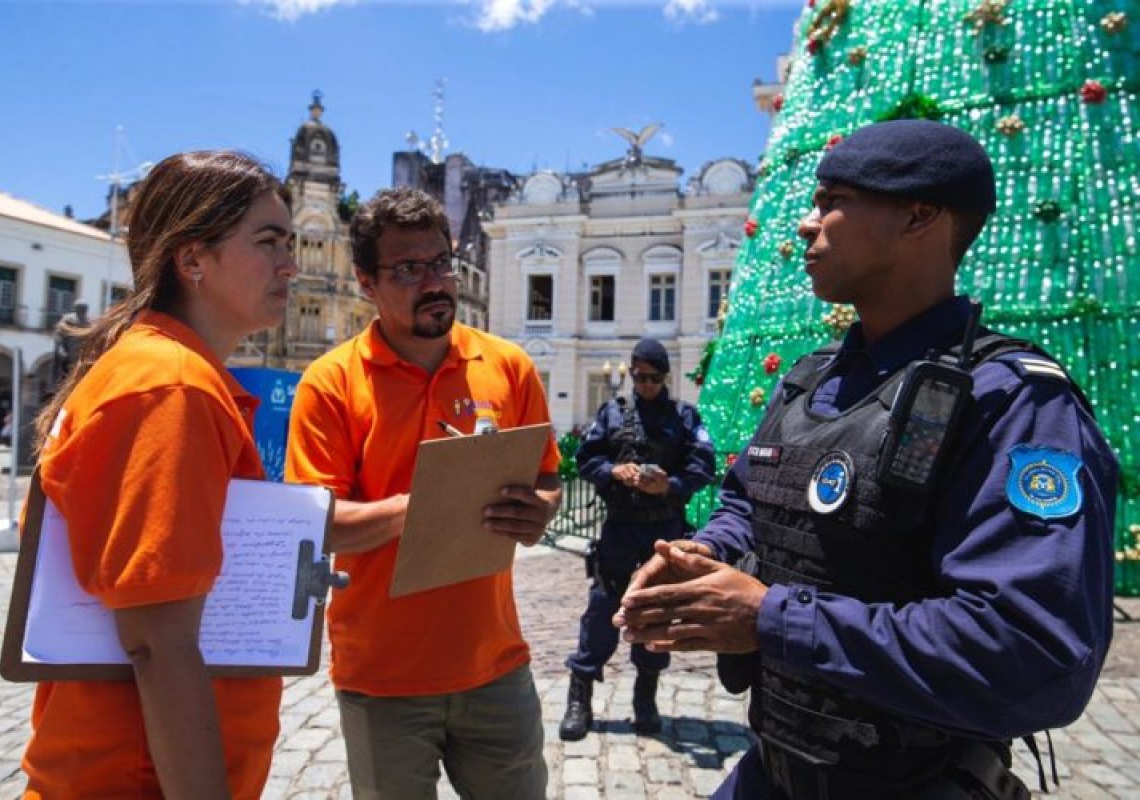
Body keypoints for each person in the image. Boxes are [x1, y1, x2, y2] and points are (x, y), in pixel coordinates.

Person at [615, 120, 1119, 799]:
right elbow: (745, 502)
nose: (805, 223)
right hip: (774, 768)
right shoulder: (810, 379)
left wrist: (769, 618)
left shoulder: (1013, 403)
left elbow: (1034, 653)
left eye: (833, 200)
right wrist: (705, 555)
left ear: (920, 216)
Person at [21, 151, 297, 799]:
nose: (291, 263)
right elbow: (158, 641)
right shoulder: (172, 386)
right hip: (130, 777)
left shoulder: (162, 370)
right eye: (268, 242)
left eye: (289, 242)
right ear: (192, 259)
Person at [285, 186, 562, 800]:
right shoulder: (329, 385)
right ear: (365, 282)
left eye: (441, 263)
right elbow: (316, 524)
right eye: (408, 269)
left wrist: (539, 511)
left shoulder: (509, 365)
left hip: (496, 666)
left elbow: (547, 476)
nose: (434, 282)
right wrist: (425, 507)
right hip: (382, 678)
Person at [559, 337, 715, 740]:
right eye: (640, 377)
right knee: (603, 607)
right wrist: (615, 472)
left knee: (656, 610)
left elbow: (703, 466)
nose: (646, 385)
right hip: (620, 527)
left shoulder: (684, 417)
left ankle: (645, 697)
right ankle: (581, 694)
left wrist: (669, 484)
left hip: (663, 530)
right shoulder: (612, 413)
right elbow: (585, 459)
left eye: (654, 378)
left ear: (666, 377)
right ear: (631, 373)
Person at [51, 297, 91, 383]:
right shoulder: (68, 319)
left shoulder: (89, 321)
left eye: (84, 308)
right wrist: (61, 348)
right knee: (68, 371)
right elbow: (59, 334)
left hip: (83, 350)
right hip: (70, 348)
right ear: (76, 308)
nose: (83, 310)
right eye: (81, 308)